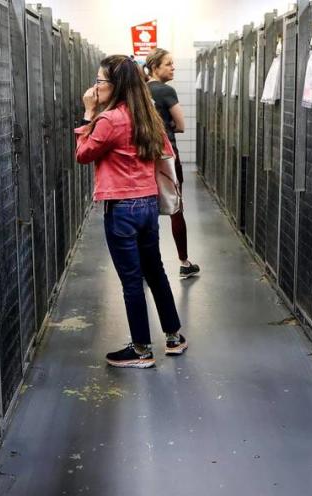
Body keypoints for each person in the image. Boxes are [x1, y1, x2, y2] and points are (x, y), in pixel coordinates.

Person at [75, 54, 188, 368]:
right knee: (155, 272)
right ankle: (174, 337)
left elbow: (83, 154)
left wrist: (88, 112)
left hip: (122, 209)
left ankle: (140, 350)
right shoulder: (148, 114)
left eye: (100, 81)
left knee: (131, 280)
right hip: (148, 204)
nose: (96, 86)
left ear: (116, 85)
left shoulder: (109, 120)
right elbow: (165, 151)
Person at [145, 49, 200, 279]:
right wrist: (167, 129)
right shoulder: (167, 90)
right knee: (176, 207)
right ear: (155, 67)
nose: (173, 68)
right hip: (167, 156)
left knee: (148, 209)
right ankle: (184, 262)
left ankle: (147, 267)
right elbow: (181, 125)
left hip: (145, 155)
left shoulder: (139, 91)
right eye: (168, 64)